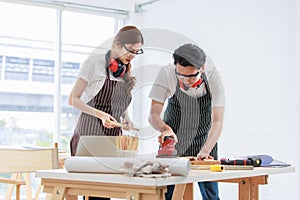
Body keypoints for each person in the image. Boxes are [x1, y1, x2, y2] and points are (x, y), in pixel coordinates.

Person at [68, 25, 144, 200]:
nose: (133, 56)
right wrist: (100, 115)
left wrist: (126, 118)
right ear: (117, 43)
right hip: (90, 133)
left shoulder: (124, 70)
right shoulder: (94, 63)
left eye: (137, 52)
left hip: (112, 137)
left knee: (105, 192)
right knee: (93, 192)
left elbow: (118, 102)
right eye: (130, 50)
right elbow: (73, 99)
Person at [148, 43, 225, 200]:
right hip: (173, 143)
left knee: (211, 196)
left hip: (205, 142)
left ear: (202, 68)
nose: (186, 80)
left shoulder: (213, 77)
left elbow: (217, 121)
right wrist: (165, 129)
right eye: (181, 75)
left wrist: (205, 151)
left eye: (191, 76)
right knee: (167, 194)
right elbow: (153, 115)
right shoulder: (166, 73)